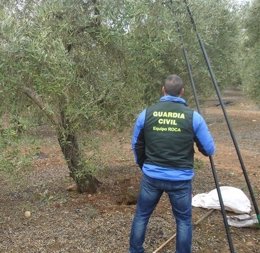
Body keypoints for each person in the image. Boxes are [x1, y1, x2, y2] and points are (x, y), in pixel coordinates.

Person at [129, 74, 215, 253]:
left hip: (151, 177)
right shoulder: (194, 117)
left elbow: (136, 144)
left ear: (163, 90)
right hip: (181, 180)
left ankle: (135, 250)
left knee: (142, 215)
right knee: (183, 220)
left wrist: (144, 165)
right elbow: (209, 149)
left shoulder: (146, 113)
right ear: (182, 92)